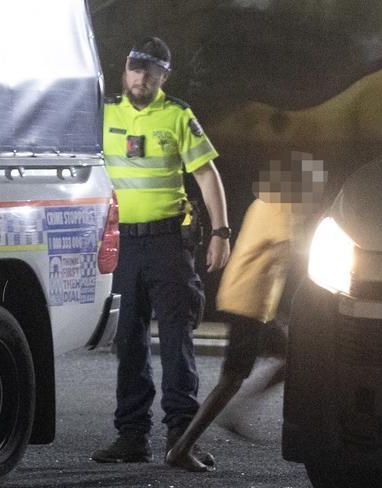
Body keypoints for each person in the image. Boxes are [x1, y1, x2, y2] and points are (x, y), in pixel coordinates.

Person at [91, 37, 230, 465]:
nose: (140, 78)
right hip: (122, 244)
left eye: (150, 72)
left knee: (176, 342)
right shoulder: (103, 111)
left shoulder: (176, 115)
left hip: (169, 243)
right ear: (125, 69)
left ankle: (181, 440)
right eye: (135, 69)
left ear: (164, 77)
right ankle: (132, 437)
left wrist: (222, 232)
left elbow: (206, 175)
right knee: (128, 343)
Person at [166, 157, 326, 472]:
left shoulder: (266, 204)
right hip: (247, 302)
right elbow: (293, 250)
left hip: (256, 303)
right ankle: (182, 448)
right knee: (232, 379)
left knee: (292, 356)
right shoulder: (279, 208)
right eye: (310, 187)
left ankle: (237, 412)